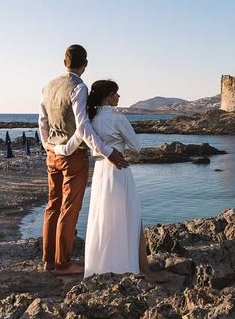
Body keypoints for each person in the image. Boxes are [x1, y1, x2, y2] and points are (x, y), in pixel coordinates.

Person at [52, 80, 165, 281]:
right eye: (116, 94)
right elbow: (136, 146)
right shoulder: (118, 118)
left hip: (100, 173)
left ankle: (104, 266)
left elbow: (71, 146)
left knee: (104, 220)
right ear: (107, 97)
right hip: (119, 171)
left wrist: (52, 148)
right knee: (131, 218)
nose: (119, 97)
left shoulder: (89, 120)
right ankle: (139, 267)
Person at [38, 45, 129, 275]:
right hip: (73, 156)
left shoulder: (47, 87)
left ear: (64, 61)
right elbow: (83, 126)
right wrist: (106, 150)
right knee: (69, 209)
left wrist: (49, 146)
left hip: (52, 154)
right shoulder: (79, 87)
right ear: (85, 64)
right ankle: (63, 264)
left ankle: (48, 260)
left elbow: (42, 123)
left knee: (52, 206)